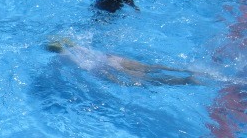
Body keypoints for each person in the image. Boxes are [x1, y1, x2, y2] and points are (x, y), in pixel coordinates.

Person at [46, 39, 201, 86]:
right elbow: (84, 50)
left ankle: (186, 80)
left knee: (147, 80)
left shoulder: (63, 56)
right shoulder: (75, 46)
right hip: (109, 58)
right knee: (149, 68)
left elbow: (79, 65)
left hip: (103, 68)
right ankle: (187, 71)